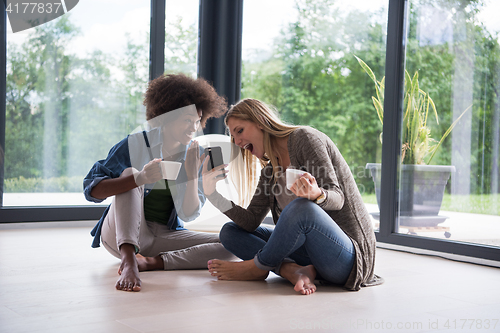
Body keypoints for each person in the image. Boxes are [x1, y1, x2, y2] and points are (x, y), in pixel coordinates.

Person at [202, 98, 383, 295]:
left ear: (261, 121)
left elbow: (338, 198)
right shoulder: (269, 172)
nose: (236, 142)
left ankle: (257, 267)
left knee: (301, 208)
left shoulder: (305, 139)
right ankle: (292, 270)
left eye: (239, 131)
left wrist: (316, 194)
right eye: (233, 136)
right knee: (230, 231)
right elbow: (250, 222)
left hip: (348, 258)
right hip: (310, 257)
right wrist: (212, 194)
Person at [83, 74, 236, 292]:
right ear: (166, 116)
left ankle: (150, 262)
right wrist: (141, 178)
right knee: (131, 173)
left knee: (230, 244)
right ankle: (129, 260)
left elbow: (188, 214)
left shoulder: (196, 154)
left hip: (163, 235)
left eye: (197, 121)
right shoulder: (135, 144)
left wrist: (193, 176)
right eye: (186, 120)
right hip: (121, 235)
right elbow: (92, 191)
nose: (193, 128)